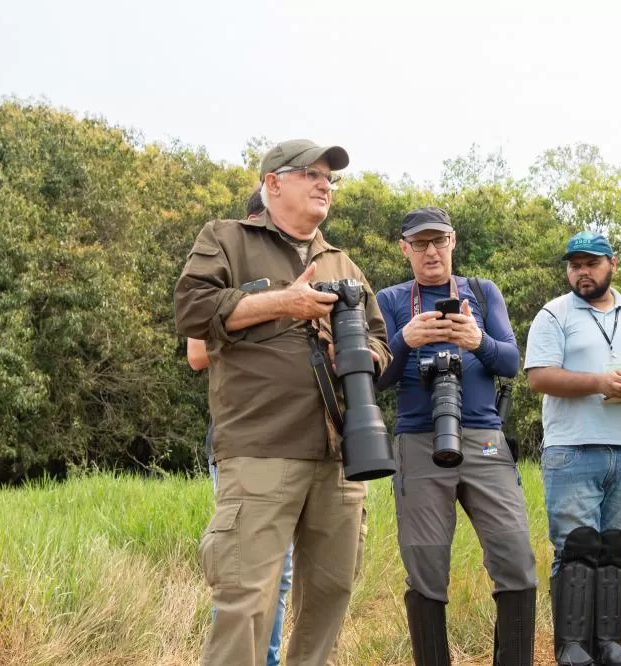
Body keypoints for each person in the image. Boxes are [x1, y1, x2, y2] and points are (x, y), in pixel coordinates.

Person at [175, 139, 391, 666]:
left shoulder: (341, 261)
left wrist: (359, 356)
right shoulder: (226, 239)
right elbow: (192, 310)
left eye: (330, 178)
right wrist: (282, 302)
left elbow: (382, 342)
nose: (325, 185)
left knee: (330, 595)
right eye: (311, 174)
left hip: (342, 455)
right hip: (260, 449)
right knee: (246, 600)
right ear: (273, 184)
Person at [375, 206, 536, 666]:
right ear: (405, 249)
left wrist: (475, 340)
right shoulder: (389, 300)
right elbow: (376, 379)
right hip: (419, 441)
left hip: (485, 437)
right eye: (420, 244)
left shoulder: (483, 294)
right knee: (426, 573)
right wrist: (405, 338)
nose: (431, 252)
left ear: (453, 242)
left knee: (516, 562)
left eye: (438, 241)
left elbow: (510, 362)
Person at [524, 231, 621, 666]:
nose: (582, 272)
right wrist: (596, 382)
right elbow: (538, 376)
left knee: (614, 545)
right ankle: (572, 647)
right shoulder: (553, 314)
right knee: (577, 545)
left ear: (612, 264)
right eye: (574, 265)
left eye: (590, 263)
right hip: (572, 447)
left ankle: (608, 643)